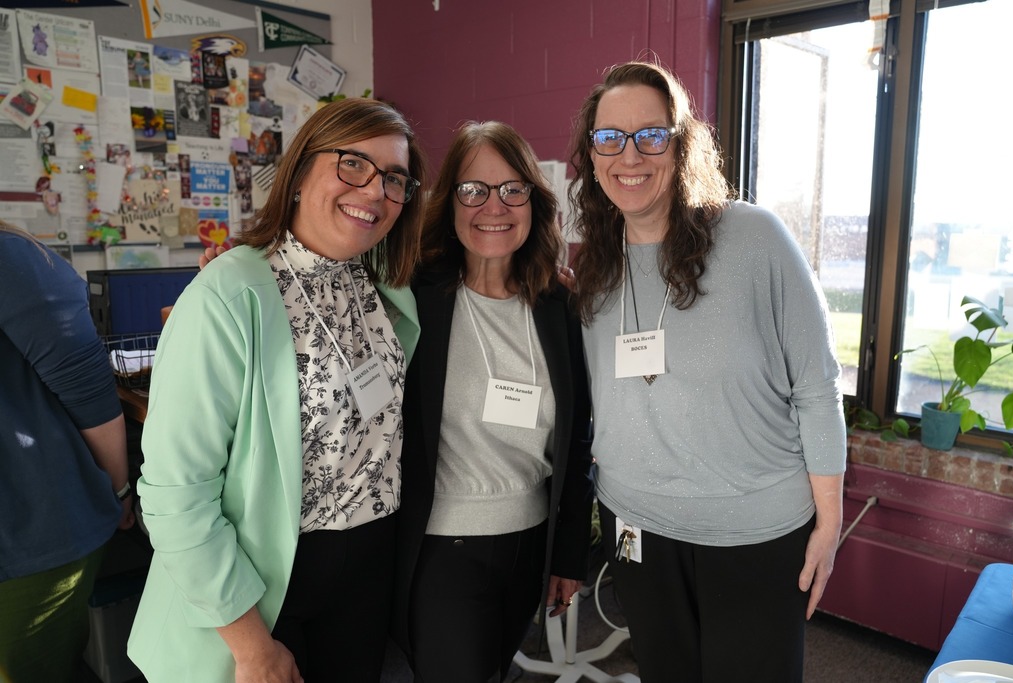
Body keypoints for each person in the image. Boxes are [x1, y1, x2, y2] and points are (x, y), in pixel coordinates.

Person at [127, 98, 426, 683]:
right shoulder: (228, 296)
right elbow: (174, 495)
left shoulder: (382, 283)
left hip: (366, 571)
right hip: (259, 586)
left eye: (394, 178)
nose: (374, 191)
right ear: (298, 172)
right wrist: (250, 645)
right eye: (352, 164)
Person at [566, 61, 846, 682]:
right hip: (637, 527)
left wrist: (829, 521)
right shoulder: (595, 270)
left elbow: (817, 386)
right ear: (591, 155)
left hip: (756, 530)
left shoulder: (754, 239)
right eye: (610, 137)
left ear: (681, 142)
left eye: (651, 135)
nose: (629, 154)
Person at [391, 121, 594, 683]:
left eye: (512, 189)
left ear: (533, 199)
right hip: (442, 550)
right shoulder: (411, 294)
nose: (493, 206)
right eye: (473, 190)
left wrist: (568, 555)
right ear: (449, 201)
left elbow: (577, 441)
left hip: (529, 548)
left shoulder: (559, 306)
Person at [0, 221, 134, 682]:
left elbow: (90, 394)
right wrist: (119, 491)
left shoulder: (12, 259)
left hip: (28, 534)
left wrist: (117, 492)